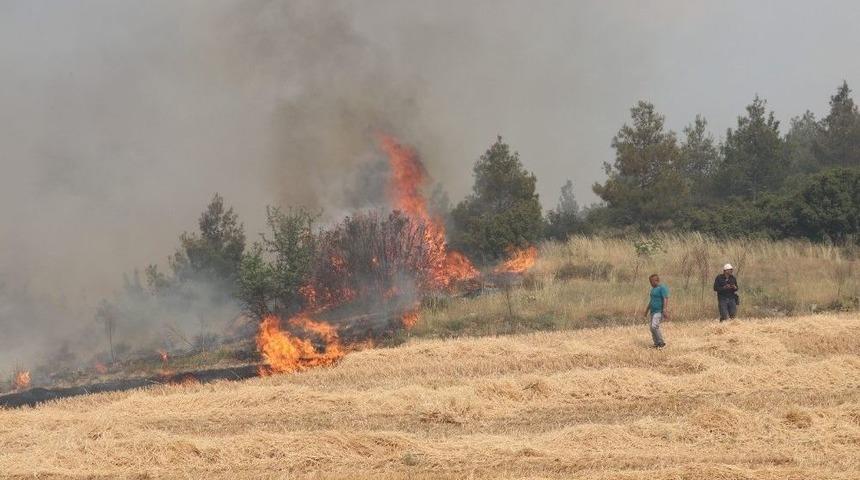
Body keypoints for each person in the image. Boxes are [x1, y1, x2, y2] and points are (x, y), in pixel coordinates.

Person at [644, 273, 669, 348]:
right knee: (651, 328)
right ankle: (656, 343)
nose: (650, 283)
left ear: (656, 280)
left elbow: (665, 298)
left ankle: (661, 342)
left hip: (659, 311)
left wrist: (664, 309)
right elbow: (651, 301)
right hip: (652, 311)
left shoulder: (662, 288)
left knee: (654, 326)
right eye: (650, 282)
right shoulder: (652, 290)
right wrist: (646, 310)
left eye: (651, 281)